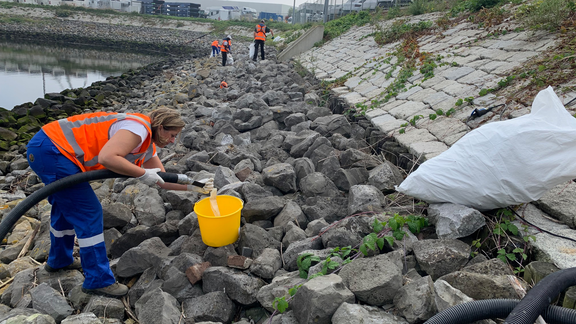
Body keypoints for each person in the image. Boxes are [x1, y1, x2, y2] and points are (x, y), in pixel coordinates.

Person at [26, 107, 213, 298]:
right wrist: (141, 173)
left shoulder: (147, 144)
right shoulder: (138, 129)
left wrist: (196, 186)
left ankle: (59, 260)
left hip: (48, 146)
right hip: (52, 150)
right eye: (172, 135)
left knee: (66, 205)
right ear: (161, 127)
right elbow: (107, 157)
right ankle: (98, 280)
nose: (173, 141)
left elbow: (163, 180)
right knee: (89, 212)